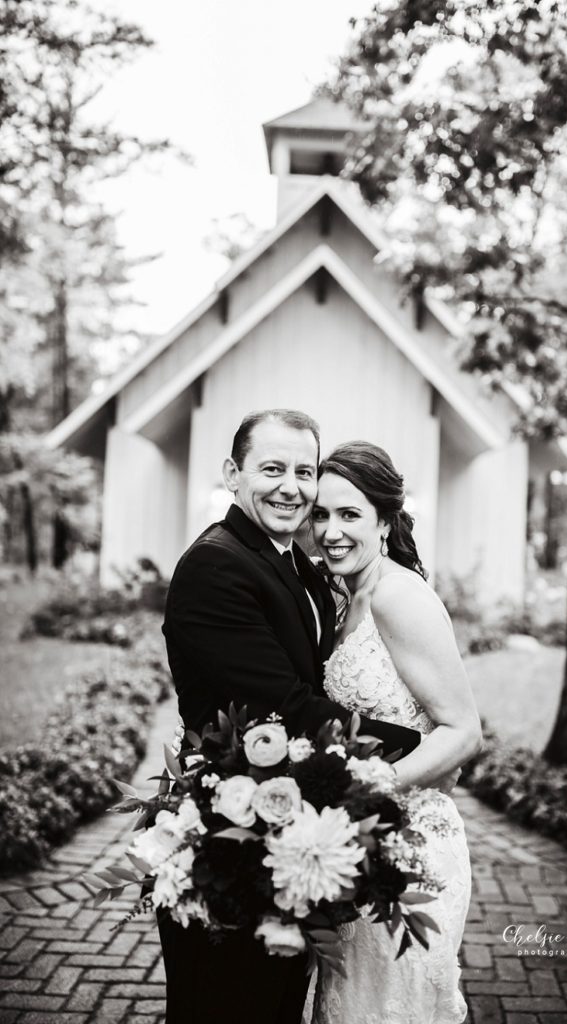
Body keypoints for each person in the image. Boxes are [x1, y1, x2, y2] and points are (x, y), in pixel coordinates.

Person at [159, 410, 422, 1024]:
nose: (291, 487)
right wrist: (418, 739)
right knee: (228, 1006)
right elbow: (291, 709)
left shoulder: (289, 557)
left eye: (304, 471)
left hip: (280, 829)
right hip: (231, 845)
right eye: (271, 468)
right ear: (233, 473)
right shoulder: (217, 565)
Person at [308, 440, 481, 1024]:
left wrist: (367, 788)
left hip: (411, 857)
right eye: (321, 514)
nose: (330, 530)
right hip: (366, 846)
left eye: (349, 514)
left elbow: (463, 731)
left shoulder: (398, 596)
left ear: (384, 521)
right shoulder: (345, 597)